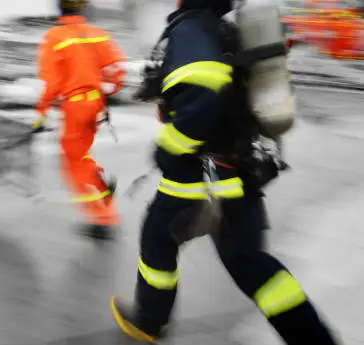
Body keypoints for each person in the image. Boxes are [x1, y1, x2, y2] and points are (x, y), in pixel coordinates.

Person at [109, 0, 340, 343]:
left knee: (158, 239)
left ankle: (148, 321)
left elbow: (201, 94)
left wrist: (168, 149)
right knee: (250, 263)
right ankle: (314, 338)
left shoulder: (192, 28)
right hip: (239, 168)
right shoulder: (226, 31)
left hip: (196, 174)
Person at [33, 0, 127, 240]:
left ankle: (102, 217)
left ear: (58, 9)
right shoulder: (96, 34)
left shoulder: (54, 37)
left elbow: (51, 82)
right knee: (79, 154)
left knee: (73, 163)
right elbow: (117, 68)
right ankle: (99, 180)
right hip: (94, 103)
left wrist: (41, 112)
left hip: (75, 105)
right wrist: (108, 92)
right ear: (82, 8)